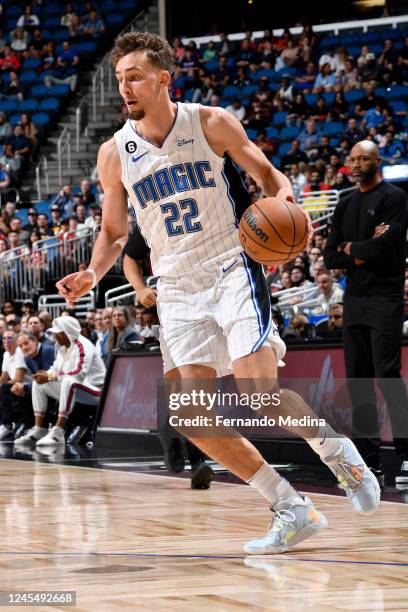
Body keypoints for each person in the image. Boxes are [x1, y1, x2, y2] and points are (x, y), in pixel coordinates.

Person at [56, 32, 380, 555]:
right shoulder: (115, 153)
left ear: (163, 79)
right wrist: (93, 273)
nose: (126, 86)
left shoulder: (210, 122)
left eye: (135, 76)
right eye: (120, 78)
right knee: (190, 418)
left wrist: (289, 215)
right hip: (176, 285)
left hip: (230, 264)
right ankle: (291, 507)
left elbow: (273, 180)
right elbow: (115, 232)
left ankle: (337, 452)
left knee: (257, 395)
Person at [324, 140, 408, 488]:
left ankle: (404, 456)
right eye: (353, 158)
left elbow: (384, 246)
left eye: (364, 158)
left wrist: (352, 249)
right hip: (355, 300)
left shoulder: (394, 198)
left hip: (386, 297)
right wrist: (358, 251)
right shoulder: (345, 203)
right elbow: (330, 256)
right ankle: (368, 461)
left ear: (378, 161)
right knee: (358, 381)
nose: (357, 163)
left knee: (387, 375)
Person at [123, 226, 215, 488]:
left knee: (194, 397)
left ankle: (176, 439)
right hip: (175, 312)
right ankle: (191, 454)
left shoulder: (212, 207)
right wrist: (140, 289)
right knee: (185, 394)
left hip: (212, 307)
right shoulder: (154, 215)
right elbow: (130, 257)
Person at [15, 316, 106, 447]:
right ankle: (39, 428)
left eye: (57, 333)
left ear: (66, 333)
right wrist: (46, 375)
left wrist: (51, 376)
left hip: (96, 391)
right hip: (76, 389)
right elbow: (55, 369)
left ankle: (58, 432)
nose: (54, 336)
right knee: (38, 382)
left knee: (69, 381)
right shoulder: (62, 347)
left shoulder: (83, 345)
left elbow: (78, 374)